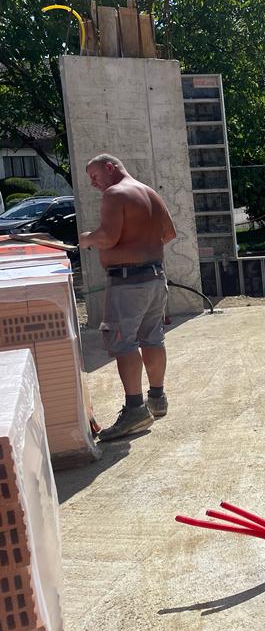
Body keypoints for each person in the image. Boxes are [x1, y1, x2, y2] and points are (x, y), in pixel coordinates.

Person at [79, 154, 176, 441]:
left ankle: (135, 410)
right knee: (152, 338)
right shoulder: (150, 193)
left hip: (128, 282)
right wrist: (141, 243)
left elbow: (107, 238)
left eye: (95, 176)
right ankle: (157, 399)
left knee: (124, 343)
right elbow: (169, 233)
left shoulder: (115, 193)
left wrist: (87, 238)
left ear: (110, 168)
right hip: (155, 278)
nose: (94, 184)